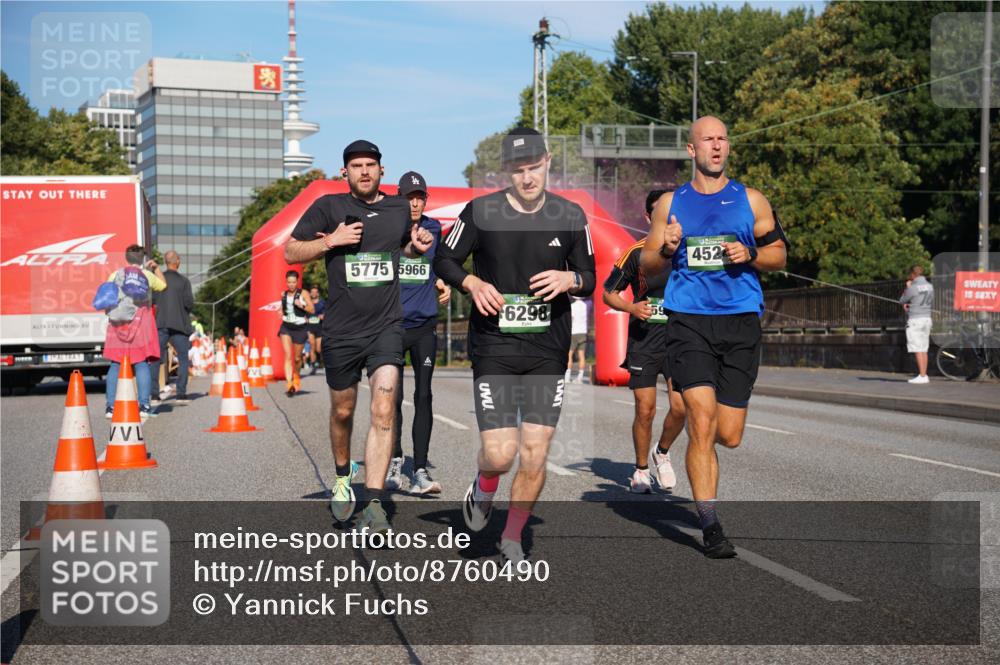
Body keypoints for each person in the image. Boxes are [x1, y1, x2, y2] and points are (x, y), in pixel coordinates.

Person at [434, 127, 596, 562]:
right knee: (500, 453)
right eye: (518, 170)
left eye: (534, 168)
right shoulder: (481, 212)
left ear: (548, 163)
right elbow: (444, 259)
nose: (527, 178)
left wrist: (569, 278)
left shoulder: (570, 215)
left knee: (535, 452)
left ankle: (512, 536)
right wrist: (470, 282)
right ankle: (484, 487)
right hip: (495, 346)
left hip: (547, 349)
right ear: (506, 171)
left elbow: (590, 277)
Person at [641, 116, 787, 559]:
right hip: (688, 320)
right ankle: (710, 525)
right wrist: (667, 247)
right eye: (708, 139)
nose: (717, 146)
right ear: (692, 150)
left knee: (729, 434)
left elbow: (780, 254)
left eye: (723, 138)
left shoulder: (751, 199)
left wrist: (751, 253)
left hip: (739, 320)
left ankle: (702, 483)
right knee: (700, 419)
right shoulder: (672, 203)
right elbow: (648, 265)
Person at [284, 139, 433, 534]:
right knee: (343, 411)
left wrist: (416, 248)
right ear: (344, 172)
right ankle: (341, 475)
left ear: (382, 170)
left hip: (386, 327)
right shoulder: (328, 207)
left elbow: (403, 250)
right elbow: (290, 252)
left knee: (384, 410)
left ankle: (375, 505)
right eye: (356, 166)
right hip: (341, 330)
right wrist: (330, 241)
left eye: (370, 165)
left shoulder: (398, 208)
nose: (364, 171)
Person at [604, 189, 685, 494]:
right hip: (645, 338)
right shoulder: (635, 252)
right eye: (658, 211)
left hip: (681, 337)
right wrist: (632, 307)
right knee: (645, 409)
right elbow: (608, 293)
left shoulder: (687, 250)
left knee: (682, 407)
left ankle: (661, 451)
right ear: (649, 217)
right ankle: (640, 470)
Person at [385, 171, 450, 495]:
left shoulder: (434, 229)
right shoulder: (389, 229)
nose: (414, 203)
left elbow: (439, 263)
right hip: (392, 326)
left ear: (425, 200)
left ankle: (420, 470)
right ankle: (395, 460)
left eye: (419, 197)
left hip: (424, 325)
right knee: (392, 398)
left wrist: (442, 280)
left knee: (423, 395)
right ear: (399, 199)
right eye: (409, 197)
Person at [102, 245, 166, 421]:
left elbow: (107, 296)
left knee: (115, 363)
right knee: (141, 363)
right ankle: (144, 405)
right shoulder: (146, 275)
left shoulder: (115, 275)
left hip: (118, 324)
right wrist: (156, 268)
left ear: (126, 258)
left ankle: (110, 407)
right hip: (140, 323)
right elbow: (163, 286)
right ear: (142, 258)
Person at [150, 250, 194, 404]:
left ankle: (154, 394)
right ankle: (181, 393)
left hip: (161, 323)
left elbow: (152, 301)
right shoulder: (184, 281)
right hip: (180, 325)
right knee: (183, 359)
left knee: (156, 359)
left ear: (165, 262)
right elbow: (189, 304)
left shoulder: (158, 280)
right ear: (178, 261)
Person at [278, 270, 314, 396]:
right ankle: (289, 383)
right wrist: (281, 311)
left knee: (298, 358)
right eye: (289, 282)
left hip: (300, 328)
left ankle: (296, 375)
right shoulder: (283, 294)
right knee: (288, 355)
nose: (291, 285)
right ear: (286, 282)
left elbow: (312, 309)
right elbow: (284, 308)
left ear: (297, 282)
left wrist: (301, 305)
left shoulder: (303, 293)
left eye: (293, 282)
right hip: (286, 327)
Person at [899, 264, 934, 384]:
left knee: (917, 348)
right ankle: (924, 374)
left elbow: (902, 300)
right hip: (927, 318)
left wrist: (907, 287)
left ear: (913, 274)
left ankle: (922, 376)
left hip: (916, 320)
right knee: (924, 348)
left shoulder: (913, 287)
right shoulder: (930, 286)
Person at [566, 297, 588, 383]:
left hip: (574, 332)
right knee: (581, 355)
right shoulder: (585, 305)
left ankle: (567, 377)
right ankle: (580, 378)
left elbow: (571, 319)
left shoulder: (572, 306)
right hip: (583, 332)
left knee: (569, 355)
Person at [306, 285, 326, 375]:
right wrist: (305, 317)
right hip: (310, 327)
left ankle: (319, 361)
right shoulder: (307, 302)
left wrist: (323, 316)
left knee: (318, 349)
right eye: (312, 292)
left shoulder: (322, 302)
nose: (314, 293)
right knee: (312, 347)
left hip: (319, 327)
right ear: (310, 293)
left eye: (315, 292)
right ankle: (313, 366)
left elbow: (327, 312)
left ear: (318, 294)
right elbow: (303, 311)